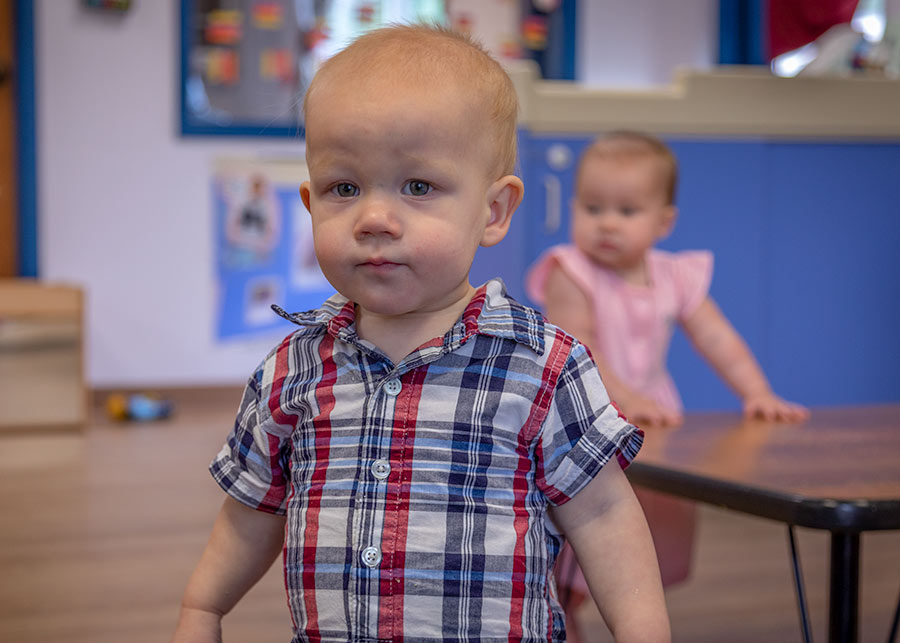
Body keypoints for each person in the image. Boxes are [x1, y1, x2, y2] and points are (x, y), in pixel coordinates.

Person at [171, 26, 670, 643]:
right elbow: (252, 508)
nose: (374, 218)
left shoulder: (542, 367)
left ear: (493, 211)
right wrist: (202, 609)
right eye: (344, 188)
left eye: (418, 187)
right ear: (310, 202)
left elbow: (604, 515)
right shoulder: (292, 369)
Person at [526, 130, 808, 639]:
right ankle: (560, 618)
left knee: (639, 545)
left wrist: (756, 392)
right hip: (585, 420)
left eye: (627, 211)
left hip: (651, 421)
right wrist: (627, 398)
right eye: (592, 207)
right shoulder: (571, 271)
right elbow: (579, 349)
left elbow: (717, 338)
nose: (607, 222)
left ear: (664, 222)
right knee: (576, 545)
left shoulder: (674, 275)